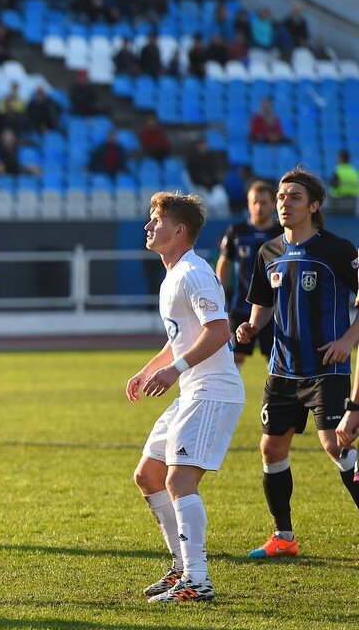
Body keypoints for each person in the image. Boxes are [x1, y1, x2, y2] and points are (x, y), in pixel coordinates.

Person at [127, 192, 244, 605]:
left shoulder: (194, 272)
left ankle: (198, 580)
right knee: (148, 474)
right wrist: (148, 370)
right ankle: (181, 566)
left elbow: (218, 331)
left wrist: (174, 371)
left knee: (179, 479)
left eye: (156, 219)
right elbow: (181, 337)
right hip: (193, 389)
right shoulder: (173, 274)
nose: (148, 226)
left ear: (179, 230)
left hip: (213, 391)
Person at [237, 168, 359, 558]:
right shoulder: (268, 251)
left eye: (293, 197)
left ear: (314, 206)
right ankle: (283, 537)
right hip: (282, 371)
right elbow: (264, 303)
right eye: (280, 196)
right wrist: (251, 327)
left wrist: (348, 339)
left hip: (327, 368)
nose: (283, 203)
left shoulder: (338, 250)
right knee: (271, 450)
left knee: (335, 445)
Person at [216, 181, 281, 366]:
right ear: (248, 203)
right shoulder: (237, 231)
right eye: (254, 202)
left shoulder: (281, 232)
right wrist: (219, 291)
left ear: (272, 204)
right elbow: (225, 262)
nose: (258, 207)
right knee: (235, 357)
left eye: (264, 202)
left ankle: (278, 394)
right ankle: (231, 394)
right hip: (242, 305)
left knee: (276, 357)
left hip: (274, 307)